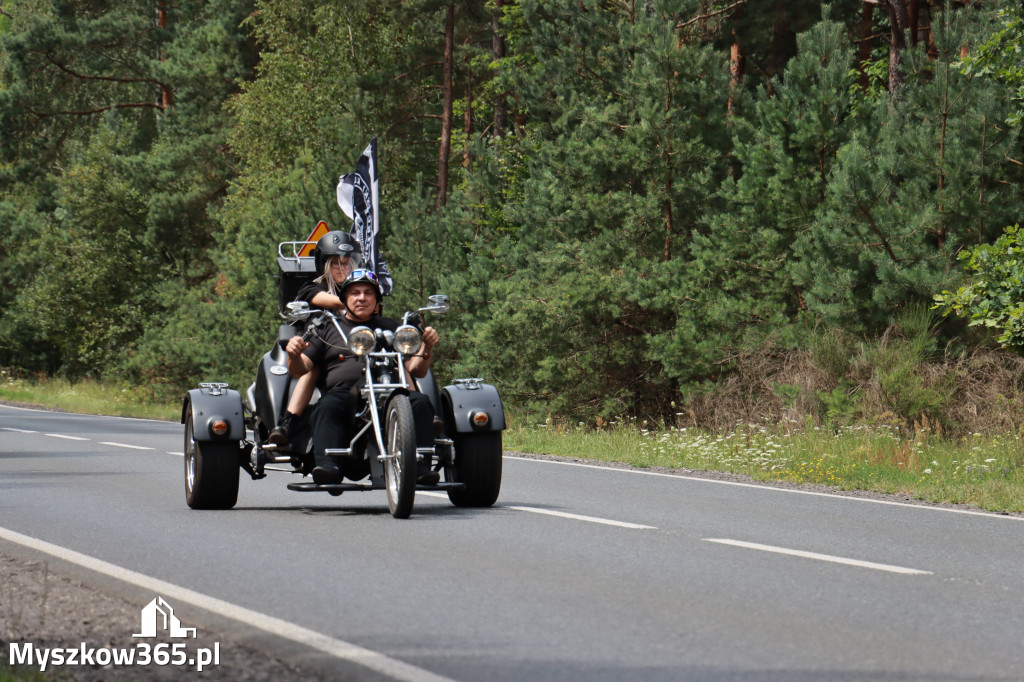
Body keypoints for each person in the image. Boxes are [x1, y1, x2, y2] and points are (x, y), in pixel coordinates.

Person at [284, 269, 441, 485]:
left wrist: (427, 348)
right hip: (346, 395)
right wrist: (293, 354)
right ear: (344, 299)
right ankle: (329, 467)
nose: (361, 298)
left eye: (368, 293)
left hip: (391, 391)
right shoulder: (328, 328)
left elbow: (418, 370)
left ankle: (420, 465)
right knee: (327, 405)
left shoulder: (394, 328)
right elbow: (299, 370)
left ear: (376, 299)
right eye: (355, 292)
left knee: (420, 403)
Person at [270, 231, 360, 446]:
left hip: (355, 347)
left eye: (347, 263)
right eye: (337, 264)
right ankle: (288, 421)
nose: (343, 268)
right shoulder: (312, 287)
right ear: (325, 265)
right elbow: (331, 301)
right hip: (319, 343)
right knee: (314, 366)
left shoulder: (362, 290)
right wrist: (356, 299)